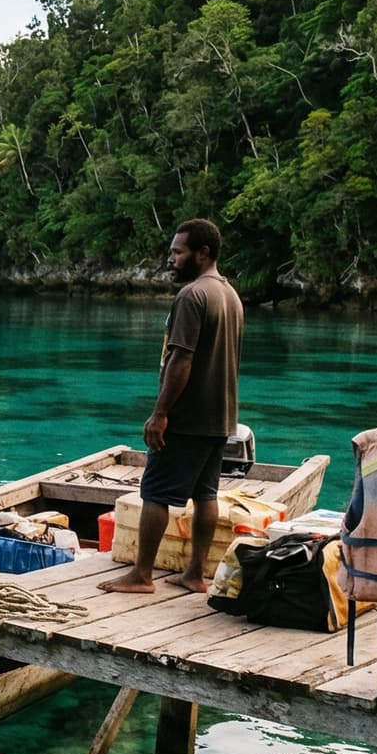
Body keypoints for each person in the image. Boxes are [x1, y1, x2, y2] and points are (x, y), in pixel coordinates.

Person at [99, 218, 244, 596]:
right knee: (206, 493)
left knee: (155, 492)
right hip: (221, 416)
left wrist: (160, 413)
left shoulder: (192, 296)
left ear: (203, 253)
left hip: (187, 415)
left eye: (178, 252)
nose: (171, 259)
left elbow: (181, 360)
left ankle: (141, 575)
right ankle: (195, 573)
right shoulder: (230, 295)